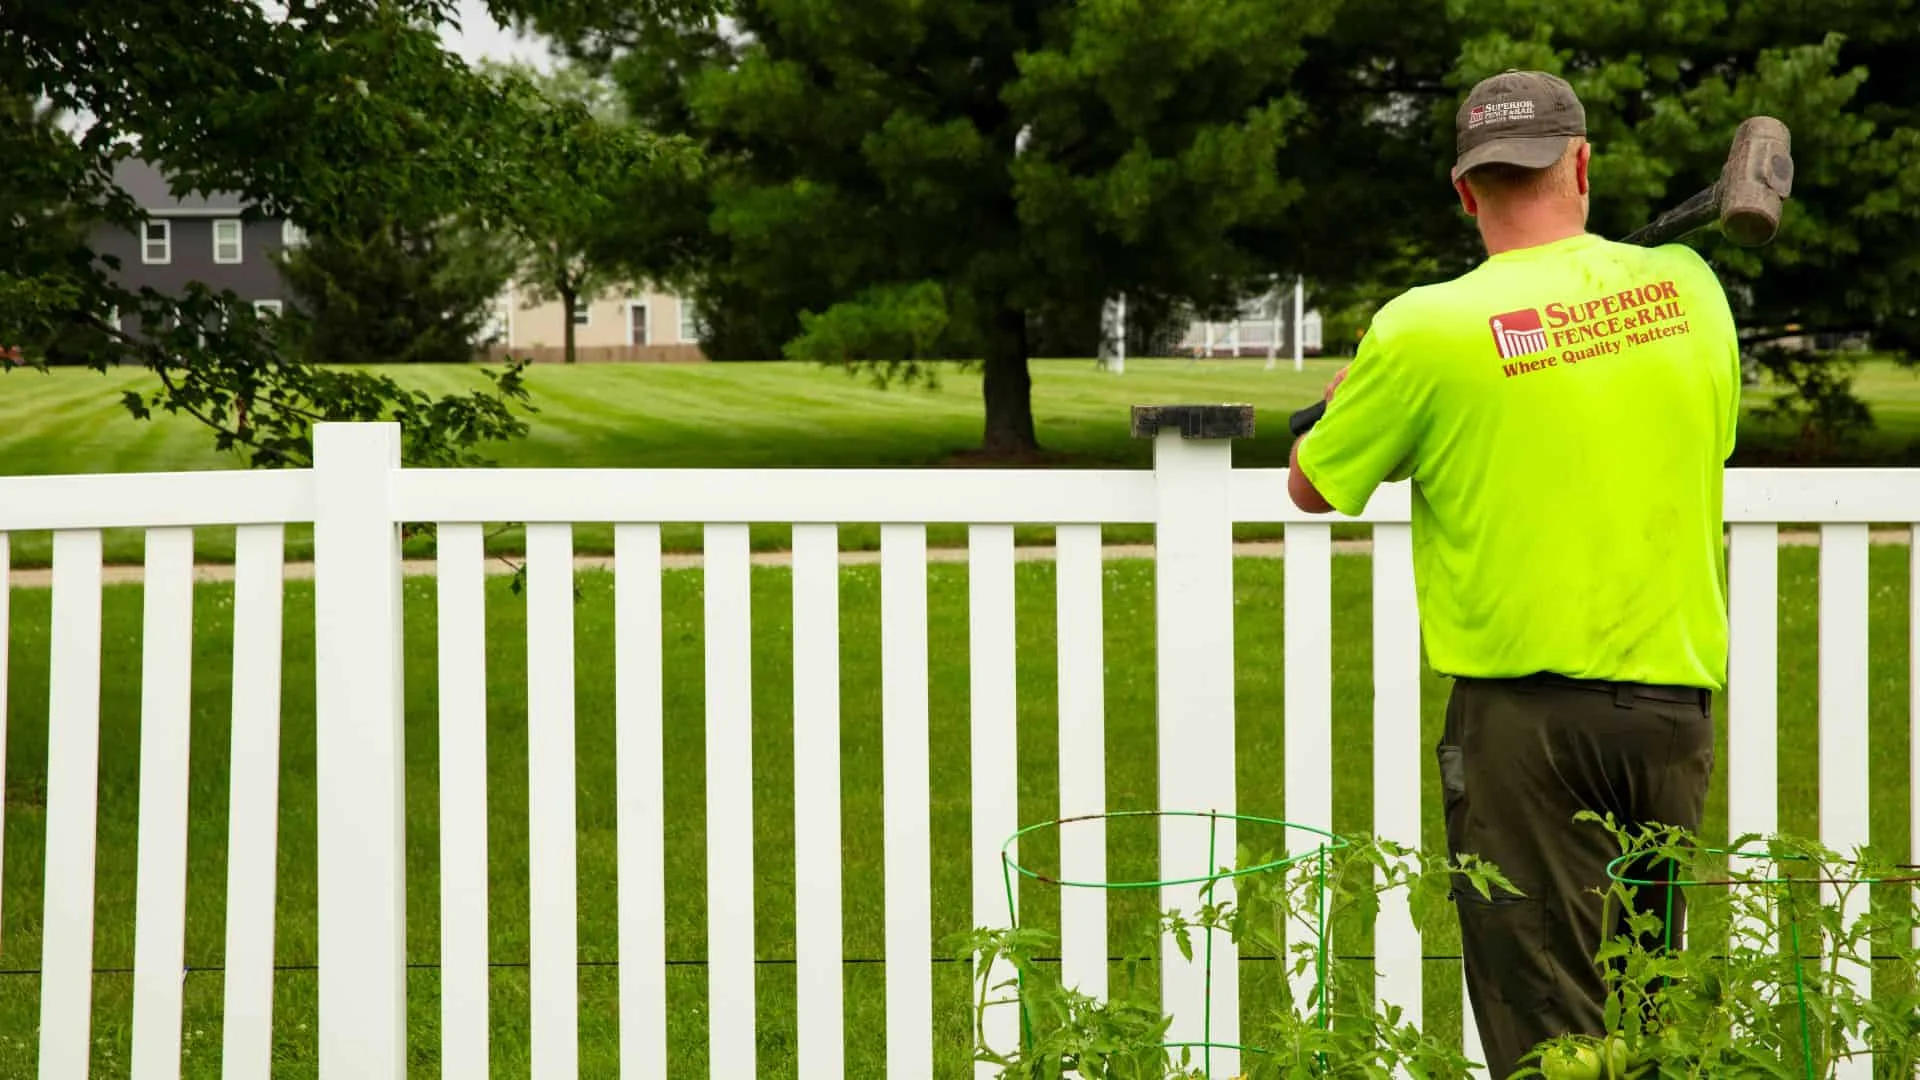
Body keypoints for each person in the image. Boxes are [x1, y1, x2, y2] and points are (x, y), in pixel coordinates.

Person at [1286, 70, 1739, 1079]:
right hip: (1668, 715)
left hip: (1522, 735)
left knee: (1552, 1040)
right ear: (1580, 165)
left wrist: (1349, 390)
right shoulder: (1692, 294)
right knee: (1644, 1018)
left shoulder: (1423, 329)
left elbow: (1313, 483)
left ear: (1465, 190)